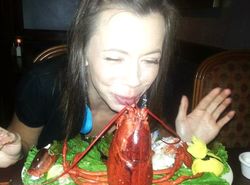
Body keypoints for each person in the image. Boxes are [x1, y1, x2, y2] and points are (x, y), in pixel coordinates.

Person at [0, 0, 235, 168]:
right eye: (114, 58)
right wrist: (13, 149)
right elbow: (25, 145)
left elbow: (158, 153)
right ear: (82, 51)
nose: (135, 80)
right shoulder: (43, 83)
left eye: (151, 59)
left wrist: (184, 143)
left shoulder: (159, 86)